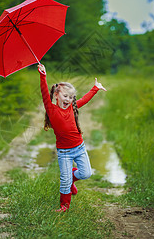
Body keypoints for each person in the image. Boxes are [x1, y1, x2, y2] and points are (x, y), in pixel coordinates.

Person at [38, 63, 107, 212]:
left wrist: (95, 88)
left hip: (79, 147)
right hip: (64, 153)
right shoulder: (51, 109)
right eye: (65, 96)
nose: (68, 99)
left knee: (86, 173)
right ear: (56, 95)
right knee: (64, 180)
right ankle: (64, 206)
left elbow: (84, 99)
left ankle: (72, 179)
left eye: (71, 97)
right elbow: (44, 93)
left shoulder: (71, 107)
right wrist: (43, 75)